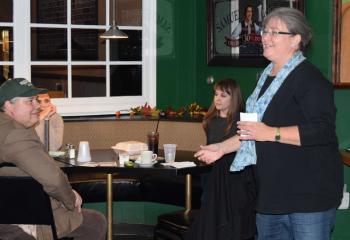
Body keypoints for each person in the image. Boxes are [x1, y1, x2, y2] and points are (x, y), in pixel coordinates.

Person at [195, 7, 343, 240]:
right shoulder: (266, 78)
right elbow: (253, 130)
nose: (265, 37)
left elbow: (322, 131)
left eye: (275, 32)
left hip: (308, 197)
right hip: (271, 195)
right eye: (265, 31)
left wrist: (271, 133)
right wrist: (220, 148)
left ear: (296, 40)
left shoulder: (310, 79)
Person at [0, 78, 107, 240]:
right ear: (9, 105)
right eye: (30, 101)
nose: (37, 105)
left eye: (36, 100)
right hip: (18, 220)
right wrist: (71, 199)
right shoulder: (17, 134)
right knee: (95, 222)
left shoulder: (9, 126)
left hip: (13, 209)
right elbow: (54, 180)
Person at [185, 79, 256, 240]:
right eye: (216, 94)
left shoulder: (242, 120)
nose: (217, 99)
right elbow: (211, 147)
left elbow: (245, 148)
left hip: (237, 176)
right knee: (211, 217)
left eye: (223, 95)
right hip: (213, 175)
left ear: (234, 98)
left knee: (234, 221)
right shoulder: (210, 121)